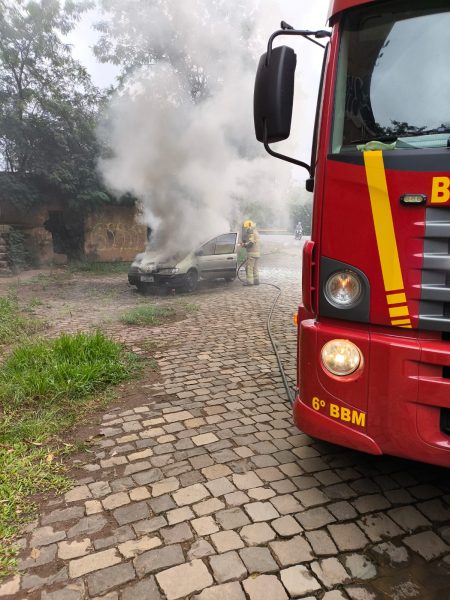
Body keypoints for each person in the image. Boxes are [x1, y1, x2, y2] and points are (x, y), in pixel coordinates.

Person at [241, 220, 260, 286]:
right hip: (257, 253)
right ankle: (256, 281)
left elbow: (251, 243)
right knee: (255, 268)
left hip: (251, 253)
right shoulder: (256, 232)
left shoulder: (251, 233)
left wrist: (244, 245)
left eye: (247, 228)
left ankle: (249, 282)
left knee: (249, 268)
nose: (246, 229)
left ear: (249, 227)